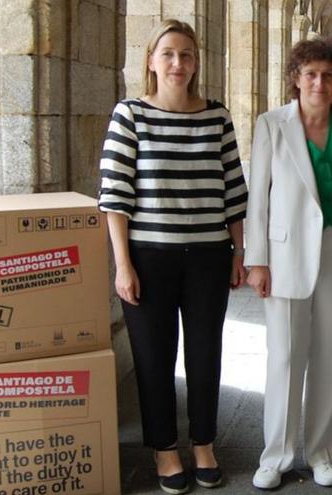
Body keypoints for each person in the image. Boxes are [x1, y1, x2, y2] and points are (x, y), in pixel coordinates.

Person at [98, 19, 247, 495]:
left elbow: (233, 194)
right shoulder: (130, 114)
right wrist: (122, 265)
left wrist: (238, 253)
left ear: (196, 61)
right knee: (153, 358)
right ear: (151, 61)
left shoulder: (217, 117)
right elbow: (114, 197)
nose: (178, 63)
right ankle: (164, 449)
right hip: (148, 258)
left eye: (186, 54)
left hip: (208, 255)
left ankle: (203, 443)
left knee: (206, 354)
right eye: (168, 54)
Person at [244, 38, 332, 490]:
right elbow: (257, 197)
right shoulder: (271, 124)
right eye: (311, 73)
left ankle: (322, 453)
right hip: (283, 255)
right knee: (284, 355)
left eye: (329, 75)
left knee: (329, 355)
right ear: (296, 77)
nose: (319, 82)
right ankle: (275, 456)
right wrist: (256, 260)